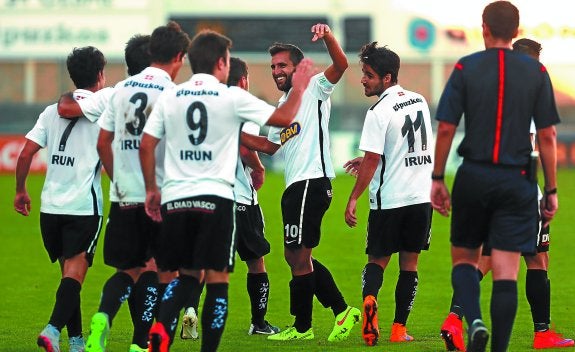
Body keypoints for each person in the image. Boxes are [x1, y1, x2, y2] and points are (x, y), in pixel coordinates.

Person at [140, 29, 315, 352]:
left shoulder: (170, 96)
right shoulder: (231, 96)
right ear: (222, 63)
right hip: (216, 200)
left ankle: (161, 331)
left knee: (186, 276)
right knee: (218, 281)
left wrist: (152, 188)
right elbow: (284, 117)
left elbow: (147, 144)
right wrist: (301, 86)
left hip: (176, 199)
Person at [431, 2, 560, 352]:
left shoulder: (465, 67)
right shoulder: (536, 73)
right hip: (517, 180)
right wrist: (550, 189)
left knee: (465, 260)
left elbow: (445, 128)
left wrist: (438, 178)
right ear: (516, 31)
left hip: (473, 175)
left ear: (484, 28)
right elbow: (547, 136)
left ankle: (471, 321)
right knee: (507, 271)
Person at [240, 23, 361, 342]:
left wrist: (329, 37)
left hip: (312, 181)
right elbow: (268, 147)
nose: (277, 71)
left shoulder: (315, 87)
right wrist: (232, 133)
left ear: (297, 67)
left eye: (282, 65)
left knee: (297, 254)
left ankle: (304, 327)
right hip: (295, 186)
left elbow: (342, 65)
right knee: (295, 256)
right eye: (273, 67)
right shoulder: (282, 108)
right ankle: (340, 311)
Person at [80, 22, 191, 352]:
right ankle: (150, 342)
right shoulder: (174, 94)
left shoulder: (120, 90)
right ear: (178, 57)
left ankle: (103, 316)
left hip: (124, 197)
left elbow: (103, 144)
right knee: (168, 273)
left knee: (129, 270)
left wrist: (120, 182)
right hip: (162, 197)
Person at [179, 57, 280, 341]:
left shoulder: (207, 106)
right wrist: (259, 167)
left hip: (205, 196)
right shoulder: (239, 104)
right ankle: (259, 322)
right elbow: (246, 149)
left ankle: (190, 311)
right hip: (239, 198)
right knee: (256, 261)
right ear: (244, 80)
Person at [14, 46, 107, 352]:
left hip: (50, 207)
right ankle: (53, 329)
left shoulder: (51, 109)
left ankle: (77, 341)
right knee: (75, 276)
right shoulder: (103, 105)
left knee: (69, 278)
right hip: (83, 206)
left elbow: (26, 152)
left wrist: (21, 190)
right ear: (100, 74)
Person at [343, 42, 433, 346]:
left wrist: (354, 197)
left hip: (389, 201)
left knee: (377, 261)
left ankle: (370, 300)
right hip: (421, 198)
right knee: (410, 264)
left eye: (368, 75)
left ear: (387, 77)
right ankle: (398, 329)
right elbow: (408, 148)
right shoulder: (419, 100)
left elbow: (372, 159)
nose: (363, 80)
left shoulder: (378, 111)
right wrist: (375, 158)